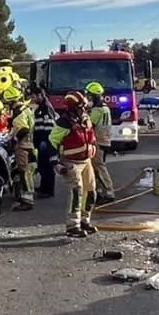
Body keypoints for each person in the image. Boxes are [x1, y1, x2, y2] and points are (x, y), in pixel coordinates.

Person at [50, 92, 98, 236]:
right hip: (71, 162)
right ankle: (72, 226)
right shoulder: (63, 123)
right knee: (76, 192)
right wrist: (55, 163)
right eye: (81, 107)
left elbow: (91, 137)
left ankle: (85, 220)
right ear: (72, 108)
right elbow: (52, 142)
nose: (84, 109)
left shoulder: (85, 119)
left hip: (86, 161)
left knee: (90, 192)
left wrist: (93, 149)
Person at [4, 87, 35, 210]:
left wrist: (14, 139)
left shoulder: (18, 114)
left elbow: (24, 129)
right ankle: (24, 197)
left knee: (24, 173)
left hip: (22, 146)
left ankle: (27, 201)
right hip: (30, 144)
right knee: (26, 172)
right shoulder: (27, 110)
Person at [85, 81, 116, 201]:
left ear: (95, 96)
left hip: (99, 142)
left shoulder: (98, 110)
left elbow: (89, 125)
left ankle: (109, 191)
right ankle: (98, 191)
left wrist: (85, 113)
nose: (88, 98)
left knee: (99, 167)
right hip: (104, 141)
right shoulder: (105, 108)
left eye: (89, 96)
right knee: (96, 167)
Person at [32, 89, 58, 198]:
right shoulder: (42, 108)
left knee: (47, 167)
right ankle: (44, 187)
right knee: (42, 166)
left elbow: (49, 127)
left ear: (40, 95)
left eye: (33, 96)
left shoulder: (46, 108)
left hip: (46, 142)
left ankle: (48, 190)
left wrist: (44, 142)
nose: (32, 99)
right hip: (42, 142)